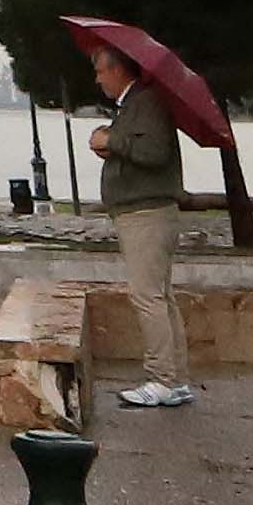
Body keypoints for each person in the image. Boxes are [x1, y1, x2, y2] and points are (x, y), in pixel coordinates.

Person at [88, 49, 195, 409]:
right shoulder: (132, 105)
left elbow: (154, 152)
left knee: (147, 295)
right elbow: (139, 148)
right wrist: (112, 142)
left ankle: (162, 378)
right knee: (161, 295)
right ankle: (177, 379)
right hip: (145, 211)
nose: (97, 79)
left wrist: (110, 140)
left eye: (101, 71)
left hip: (146, 213)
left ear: (118, 70)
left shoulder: (145, 101)